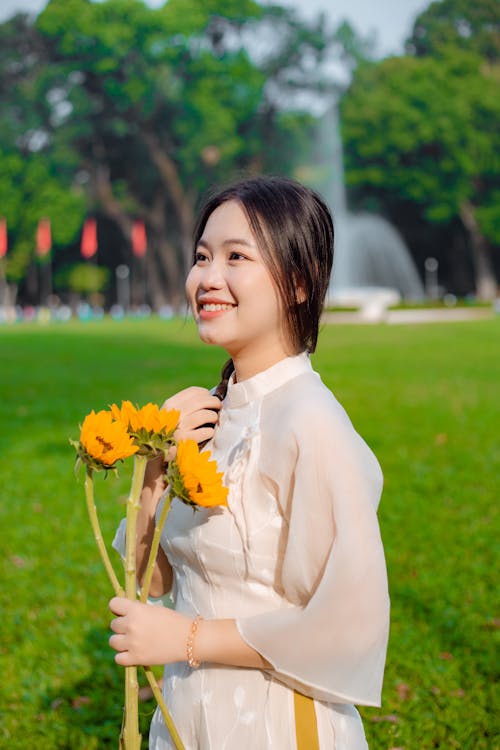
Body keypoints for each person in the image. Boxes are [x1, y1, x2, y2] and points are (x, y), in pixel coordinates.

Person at [109, 175, 390, 749]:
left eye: (237, 256)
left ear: (299, 283)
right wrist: (156, 465)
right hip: (189, 716)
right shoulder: (208, 413)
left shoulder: (312, 423)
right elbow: (153, 579)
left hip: (276, 721)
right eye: (202, 256)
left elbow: (348, 624)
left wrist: (188, 639)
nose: (208, 278)